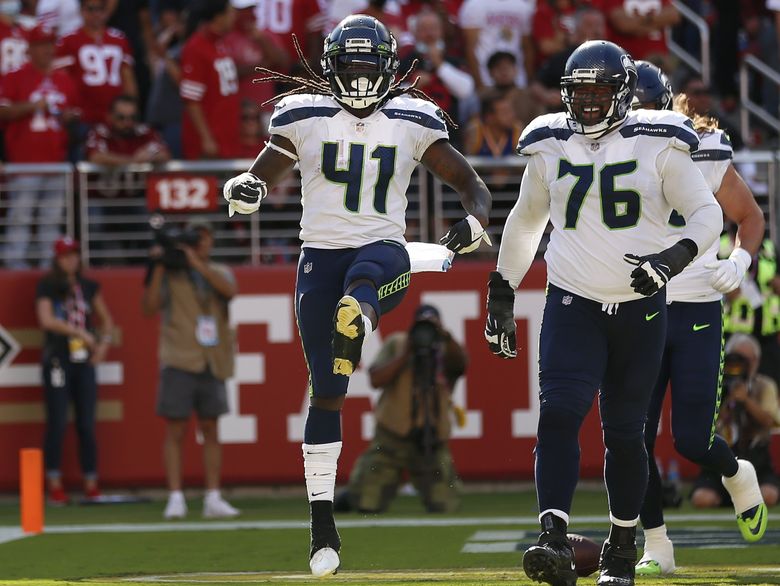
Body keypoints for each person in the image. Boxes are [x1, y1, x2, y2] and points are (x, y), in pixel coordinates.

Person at [222, 14, 491, 578]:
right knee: (327, 392)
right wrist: (243, 189)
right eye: (351, 67)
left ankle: (361, 319)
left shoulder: (413, 118)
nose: (362, 79)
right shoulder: (302, 115)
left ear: (388, 68)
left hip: (381, 249)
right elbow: (258, 177)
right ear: (332, 68)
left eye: (370, 68)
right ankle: (322, 525)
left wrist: (474, 221)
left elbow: (472, 186)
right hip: (320, 260)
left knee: (370, 271)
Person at [484, 40, 723, 586]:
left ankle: (619, 547)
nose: (587, 104)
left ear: (622, 94)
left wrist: (670, 259)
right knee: (559, 413)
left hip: (640, 308)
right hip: (572, 300)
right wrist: (503, 288)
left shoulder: (659, 142)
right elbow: (525, 223)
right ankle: (552, 534)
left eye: (598, 92)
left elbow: (706, 215)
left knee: (624, 433)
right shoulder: (549, 142)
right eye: (579, 93)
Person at [631, 61, 768, 577]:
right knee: (632, 437)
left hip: (694, 305)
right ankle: (657, 544)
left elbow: (749, 216)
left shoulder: (701, 148)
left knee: (691, 438)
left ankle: (737, 473)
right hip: (633, 306)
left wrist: (739, 261)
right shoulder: (596, 149)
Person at [141, 218, 240, 520]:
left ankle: (213, 496)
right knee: (176, 428)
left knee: (211, 428)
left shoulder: (219, 271)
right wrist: (159, 265)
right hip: (179, 356)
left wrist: (195, 263)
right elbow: (148, 308)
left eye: (205, 238)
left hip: (212, 357)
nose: (201, 243)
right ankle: (175, 496)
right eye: (195, 239)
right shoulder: (171, 274)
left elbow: (229, 291)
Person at [336, 304, 467, 514]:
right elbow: (376, 378)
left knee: (445, 505)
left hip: (432, 440)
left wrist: (445, 338)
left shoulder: (445, 348)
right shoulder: (397, 343)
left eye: (431, 326)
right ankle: (352, 495)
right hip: (392, 436)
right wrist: (406, 354)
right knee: (367, 503)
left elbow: (460, 366)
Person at [35, 236, 114, 505]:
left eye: (74, 255)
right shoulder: (48, 285)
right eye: (66, 255)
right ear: (57, 259)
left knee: (86, 424)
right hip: (58, 360)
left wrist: (102, 346)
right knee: (57, 422)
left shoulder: (89, 286)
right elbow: (46, 320)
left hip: (83, 362)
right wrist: (78, 331)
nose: (71, 260)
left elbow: (106, 321)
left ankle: (91, 481)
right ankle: (54, 481)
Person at [0, 24, 80, 269]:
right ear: (31, 48)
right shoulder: (14, 76)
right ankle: (15, 263)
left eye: (50, 44)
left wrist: (70, 117)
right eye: (42, 44)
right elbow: (3, 111)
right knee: (20, 215)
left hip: (55, 160)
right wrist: (33, 106)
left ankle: (49, 265)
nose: (48, 50)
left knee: (52, 218)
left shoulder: (64, 80)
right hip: (24, 161)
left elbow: (73, 115)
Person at [690, 334, 780, 509]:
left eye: (745, 360)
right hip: (720, 460)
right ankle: (732, 498)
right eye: (735, 359)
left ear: (756, 361)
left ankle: (744, 497)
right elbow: (707, 425)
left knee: (769, 495)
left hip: (756, 459)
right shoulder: (714, 385)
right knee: (702, 499)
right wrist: (728, 400)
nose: (740, 365)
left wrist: (746, 400)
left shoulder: (765, 385)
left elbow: (769, 422)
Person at [54, 0, 137, 128]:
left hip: (116, 118)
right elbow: (61, 79)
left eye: (100, 9)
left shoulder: (119, 39)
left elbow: (128, 77)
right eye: (91, 9)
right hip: (83, 117)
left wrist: (132, 108)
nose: (96, 14)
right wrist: (66, 108)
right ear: (82, 11)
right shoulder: (68, 40)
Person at [179, 0, 240, 159]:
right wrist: (206, 138)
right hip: (209, 142)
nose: (234, 16)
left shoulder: (222, 42)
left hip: (228, 135)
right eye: (230, 12)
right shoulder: (196, 47)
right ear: (219, 17)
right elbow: (191, 100)